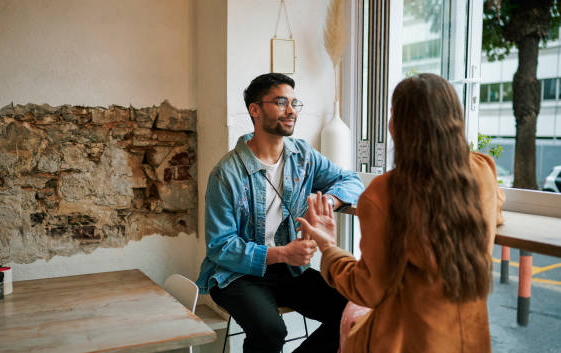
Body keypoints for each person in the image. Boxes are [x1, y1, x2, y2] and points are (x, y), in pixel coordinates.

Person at [297, 73, 506, 353]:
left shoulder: (385, 194)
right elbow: (496, 209)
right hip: (471, 338)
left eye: (393, 113)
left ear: (401, 126)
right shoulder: (482, 171)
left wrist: (328, 245)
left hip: (409, 340)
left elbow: (368, 289)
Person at [195, 72, 364, 353]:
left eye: (294, 103)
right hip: (235, 276)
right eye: (281, 102)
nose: (291, 111)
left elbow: (351, 180)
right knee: (271, 331)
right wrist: (284, 253)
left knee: (353, 312)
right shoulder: (226, 173)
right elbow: (220, 246)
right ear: (255, 110)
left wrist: (329, 203)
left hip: (288, 272)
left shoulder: (303, 156)